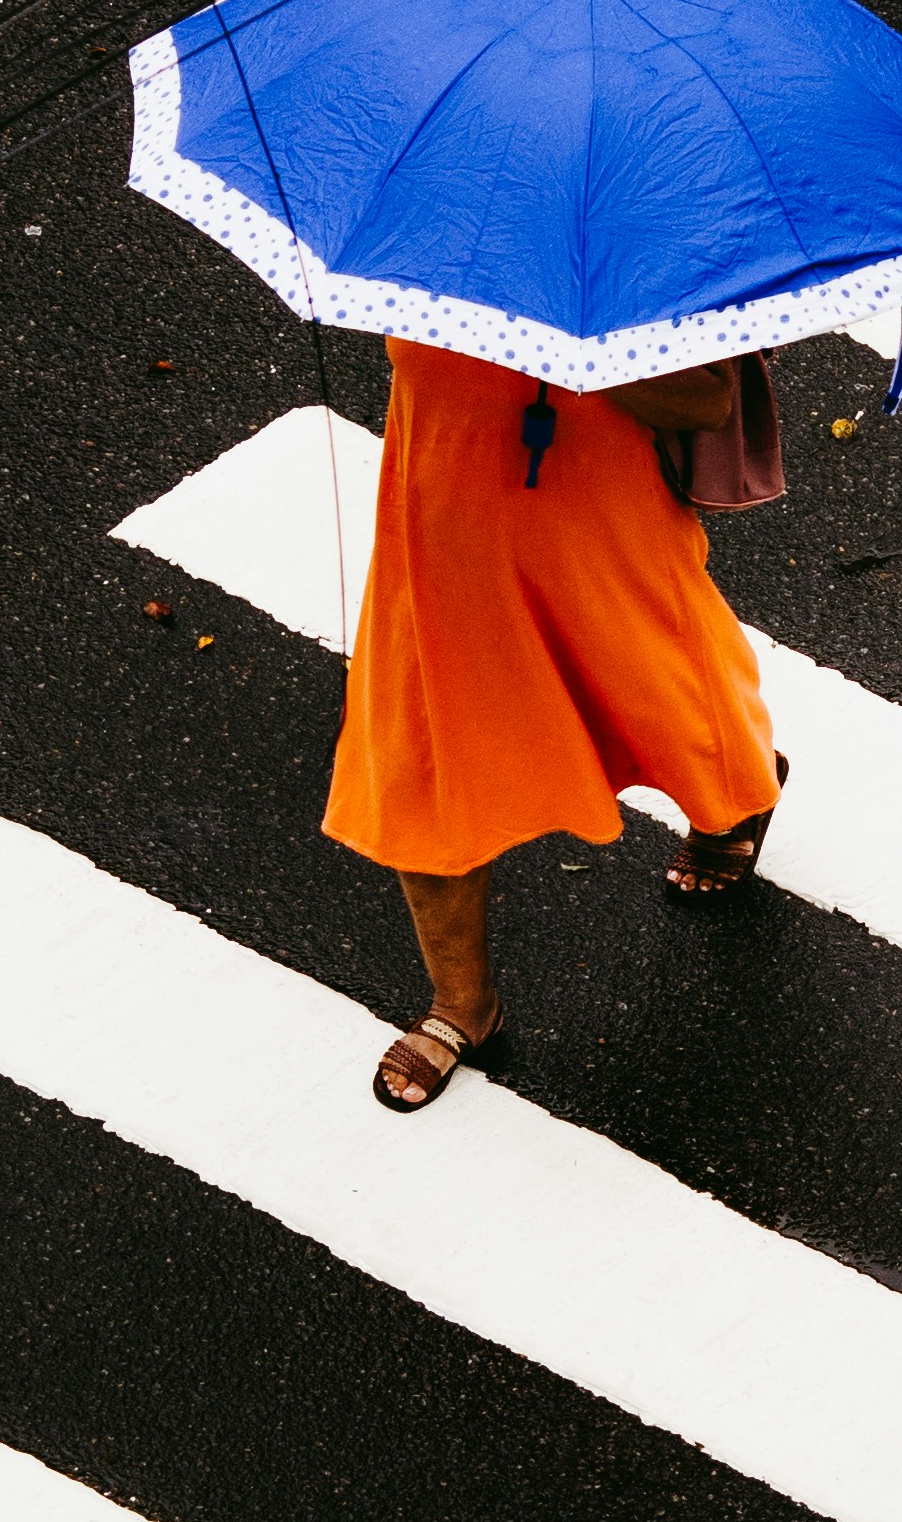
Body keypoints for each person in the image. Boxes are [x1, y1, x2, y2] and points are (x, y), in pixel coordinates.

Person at [321, 336, 786, 1113]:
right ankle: (462, 1004)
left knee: (669, 700)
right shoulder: (438, 227)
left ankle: (739, 795)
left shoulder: (635, 233)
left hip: (599, 522)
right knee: (426, 757)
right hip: (444, 533)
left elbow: (704, 399)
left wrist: (571, 348)